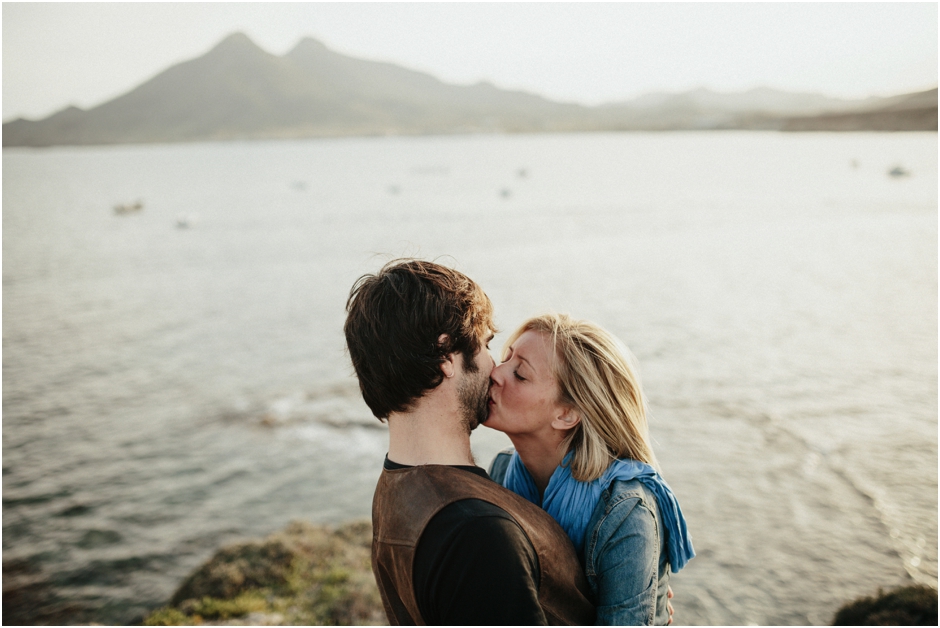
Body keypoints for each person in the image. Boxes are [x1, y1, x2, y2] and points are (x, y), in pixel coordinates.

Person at [343, 259, 595, 625]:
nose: (494, 365)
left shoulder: (394, 489)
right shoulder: (478, 534)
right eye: (486, 344)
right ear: (446, 356)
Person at [486, 313, 694, 626]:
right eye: (505, 357)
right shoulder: (502, 470)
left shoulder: (626, 511)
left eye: (520, 374)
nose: (495, 372)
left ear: (567, 414)